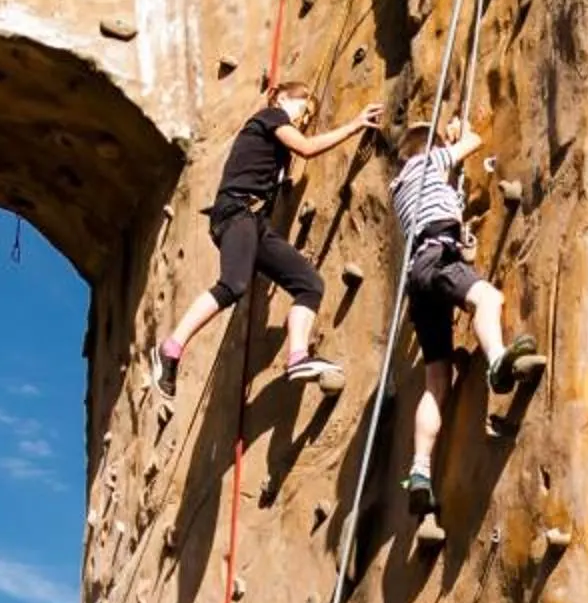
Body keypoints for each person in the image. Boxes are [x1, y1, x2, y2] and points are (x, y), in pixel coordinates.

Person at [151, 82, 380, 400]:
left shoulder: (275, 144)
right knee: (233, 285)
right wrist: (355, 125)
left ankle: (298, 357)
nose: (303, 117)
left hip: (254, 222)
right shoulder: (271, 115)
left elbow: (286, 160)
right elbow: (307, 148)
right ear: (283, 97)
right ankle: (170, 350)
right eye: (303, 107)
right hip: (236, 211)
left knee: (309, 284)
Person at [391, 109, 543, 523]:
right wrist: (457, 134)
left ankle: (419, 471)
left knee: (436, 379)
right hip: (438, 259)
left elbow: (449, 203)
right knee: (488, 300)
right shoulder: (424, 163)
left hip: (419, 273)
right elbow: (471, 144)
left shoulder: (401, 187)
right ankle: (497, 362)